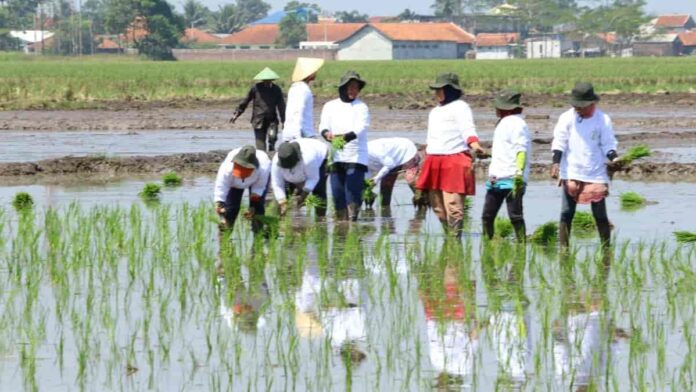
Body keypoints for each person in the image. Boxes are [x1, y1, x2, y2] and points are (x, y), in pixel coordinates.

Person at [550, 82, 621, 248]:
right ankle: (564, 249)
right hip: (571, 171)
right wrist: (555, 162)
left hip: (595, 171)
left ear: (592, 103)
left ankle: (606, 249)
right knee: (567, 212)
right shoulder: (566, 118)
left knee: (600, 214)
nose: (578, 110)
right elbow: (559, 142)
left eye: (581, 107)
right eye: (576, 106)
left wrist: (615, 159)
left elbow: (608, 143)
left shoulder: (602, 119)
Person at [416, 72, 485, 238]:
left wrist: (475, 145)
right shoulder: (434, 112)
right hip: (433, 159)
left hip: (453, 158)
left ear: (451, 90)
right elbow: (431, 138)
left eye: (441, 89)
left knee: (452, 204)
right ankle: (449, 237)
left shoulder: (461, 107)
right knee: (437, 206)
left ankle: (455, 239)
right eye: (437, 90)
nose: (437, 93)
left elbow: (468, 129)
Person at [481, 89, 531, 242]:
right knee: (487, 216)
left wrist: (518, 175)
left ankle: (521, 246)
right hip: (496, 178)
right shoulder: (503, 122)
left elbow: (521, 150)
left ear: (506, 108)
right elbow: (505, 150)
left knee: (515, 216)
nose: (496, 109)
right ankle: (487, 245)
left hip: (511, 178)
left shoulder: (517, 124)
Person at [320, 71, 370, 222]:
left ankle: (353, 224)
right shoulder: (330, 106)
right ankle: (341, 227)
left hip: (356, 156)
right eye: (350, 87)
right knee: (337, 193)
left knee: (353, 193)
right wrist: (326, 134)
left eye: (355, 88)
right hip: (336, 155)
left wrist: (344, 138)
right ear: (342, 88)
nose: (353, 91)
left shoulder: (361, 107)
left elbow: (361, 128)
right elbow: (323, 126)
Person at [214, 145, 271, 234]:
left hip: (256, 182)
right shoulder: (227, 168)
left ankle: (258, 237)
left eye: (244, 172)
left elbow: (258, 188)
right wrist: (219, 204)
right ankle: (225, 235)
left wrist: (253, 207)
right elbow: (221, 187)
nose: (241, 175)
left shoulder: (263, 167)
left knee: (257, 209)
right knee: (231, 209)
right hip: (234, 183)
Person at [230, 67, 286, 152]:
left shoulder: (276, 89)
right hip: (258, 120)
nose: (267, 82)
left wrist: (284, 121)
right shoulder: (255, 88)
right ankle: (262, 157)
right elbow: (245, 101)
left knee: (273, 137)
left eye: (269, 80)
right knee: (260, 145)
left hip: (272, 119)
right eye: (265, 80)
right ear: (262, 80)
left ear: (272, 80)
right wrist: (237, 114)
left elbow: (281, 106)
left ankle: (271, 151)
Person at [271, 139, 329, 218]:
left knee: (318, 190)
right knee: (285, 192)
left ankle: (321, 219)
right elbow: (277, 184)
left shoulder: (308, 159)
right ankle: (279, 220)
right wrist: (282, 201)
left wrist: (304, 195)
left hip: (321, 156)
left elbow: (313, 178)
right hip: (300, 166)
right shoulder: (276, 162)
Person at [366, 137, 422, 209]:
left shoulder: (374, 151)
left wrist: (376, 179)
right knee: (385, 186)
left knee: (411, 179)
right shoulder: (360, 157)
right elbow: (368, 172)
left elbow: (390, 164)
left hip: (406, 151)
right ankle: (385, 210)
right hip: (391, 159)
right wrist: (368, 187)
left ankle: (422, 204)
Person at [282, 57, 325, 142]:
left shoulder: (295, 87)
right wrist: (298, 136)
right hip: (302, 134)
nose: (316, 72)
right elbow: (297, 112)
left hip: (293, 133)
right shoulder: (302, 89)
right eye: (314, 71)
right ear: (309, 73)